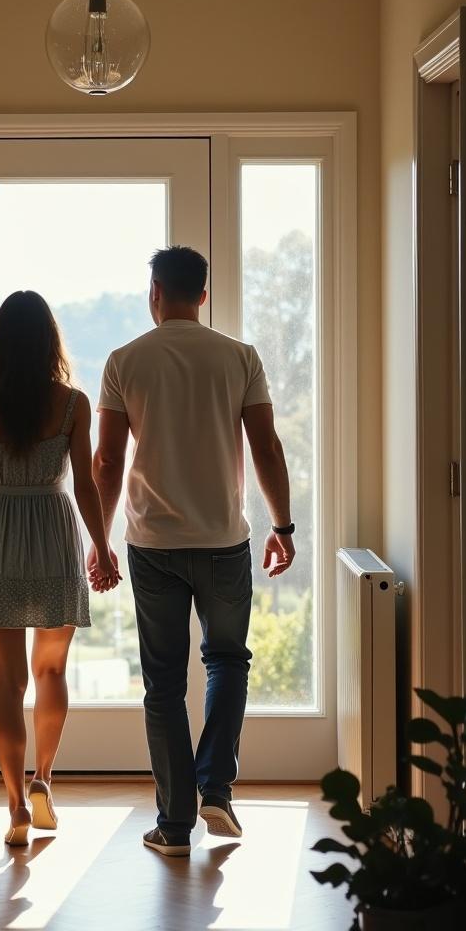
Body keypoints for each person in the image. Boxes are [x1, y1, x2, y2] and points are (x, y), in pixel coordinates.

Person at [90, 246, 295, 857]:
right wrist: (283, 526)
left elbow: (105, 463)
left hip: (152, 544)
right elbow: (267, 449)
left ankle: (175, 825)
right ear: (201, 295)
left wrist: (98, 542)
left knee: (162, 684)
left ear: (154, 291)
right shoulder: (240, 357)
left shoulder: (124, 361)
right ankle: (216, 792)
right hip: (225, 541)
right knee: (227, 661)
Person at [0, 290, 120, 847]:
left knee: (7, 681)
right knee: (50, 672)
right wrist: (102, 545)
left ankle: (15, 807)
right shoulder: (71, 404)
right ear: (50, 340)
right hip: (52, 532)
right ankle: (44, 777)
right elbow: (87, 483)